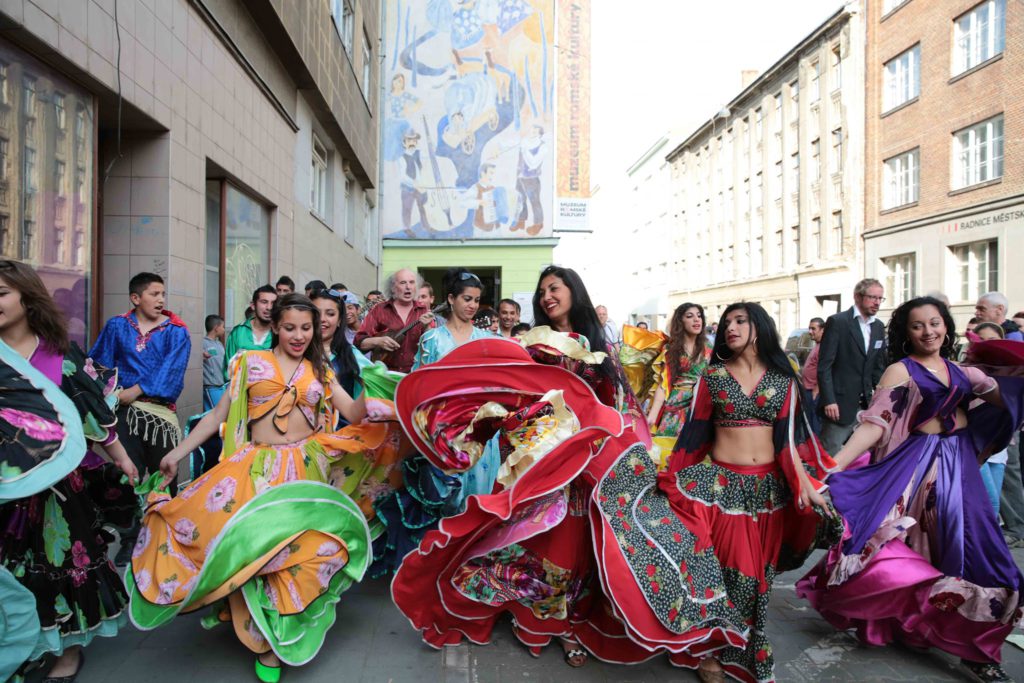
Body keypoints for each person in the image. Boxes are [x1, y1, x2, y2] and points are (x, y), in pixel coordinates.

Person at [392, 265, 650, 668]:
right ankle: (546, 621)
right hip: (539, 458)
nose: (547, 296)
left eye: (555, 288)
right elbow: (512, 392)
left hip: (588, 460)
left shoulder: (600, 345)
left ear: (574, 291)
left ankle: (569, 617)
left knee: (580, 544)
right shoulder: (529, 343)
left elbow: (618, 404)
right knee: (545, 541)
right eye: (542, 291)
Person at [128, 294, 376, 683]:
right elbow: (217, 416)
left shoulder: (320, 369)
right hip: (257, 472)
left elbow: (354, 413)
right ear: (275, 326)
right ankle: (262, 638)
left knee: (297, 554)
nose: (299, 336)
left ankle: (277, 636)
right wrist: (177, 453)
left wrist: (377, 385)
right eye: (290, 327)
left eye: (306, 328)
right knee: (254, 552)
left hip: (306, 472)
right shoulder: (249, 363)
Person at [797, 296, 1024, 683]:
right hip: (917, 468)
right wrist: (831, 467)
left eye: (934, 323)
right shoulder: (899, 371)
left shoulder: (962, 372)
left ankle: (978, 647)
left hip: (959, 466)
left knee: (975, 548)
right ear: (906, 332)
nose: (928, 331)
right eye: (918, 325)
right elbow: (875, 425)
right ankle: (920, 624)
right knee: (915, 546)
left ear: (946, 327)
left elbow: (1007, 398)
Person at [0, 260, 139, 681]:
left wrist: (122, 458)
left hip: (58, 488)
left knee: (62, 567)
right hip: (6, 487)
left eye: (1, 294)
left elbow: (90, 413)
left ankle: (67, 650)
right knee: (12, 574)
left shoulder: (59, 353)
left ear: (27, 298)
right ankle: (23, 642)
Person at [371, 269, 495, 576]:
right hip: (442, 432)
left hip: (479, 432)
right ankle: (441, 569)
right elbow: (418, 386)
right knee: (445, 499)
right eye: (466, 299)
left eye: (476, 300)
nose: (472, 306)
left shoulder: (489, 341)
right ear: (451, 299)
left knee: (478, 500)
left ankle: (470, 571)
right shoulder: (432, 339)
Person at [90, 271, 189, 565]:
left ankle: (165, 537)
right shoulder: (117, 326)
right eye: (154, 294)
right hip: (123, 413)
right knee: (127, 475)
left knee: (165, 473)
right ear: (136, 298)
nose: (161, 300)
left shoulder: (176, 331)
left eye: (163, 294)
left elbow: (172, 370)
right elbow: (98, 363)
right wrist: (110, 391)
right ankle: (130, 537)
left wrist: (137, 389)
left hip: (159, 415)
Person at [817, 278, 887, 455]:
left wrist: (882, 398)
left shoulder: (878, 327)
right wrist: (829, 400)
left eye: (880, 298)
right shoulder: (838, 322)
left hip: (868, 405)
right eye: (873, 297)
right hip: (839, 404)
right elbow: (824, 366)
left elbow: (878, 367)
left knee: (863, 455)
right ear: (857, 297)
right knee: (830, 455)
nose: (877, 302)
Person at [646, 303, 711, 439]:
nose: (696, 319)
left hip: (700, 405)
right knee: (669, 447)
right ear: (680, 321)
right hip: (676, 406)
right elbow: (663, 384)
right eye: (690, 316)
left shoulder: (709, 348)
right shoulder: (671, 349)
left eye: (699, 316)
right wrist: (652, 415)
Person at [355, 269, 433, 373]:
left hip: (414, 375)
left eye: (411, 282)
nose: (408, 287)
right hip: (384, 375)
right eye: (403, 282)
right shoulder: (379, 310)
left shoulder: (423, 311)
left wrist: (427, 327)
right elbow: (358, 342)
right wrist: (378, 341)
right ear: (393, 288)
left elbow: (432, 347)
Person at [973, 322, 1009, 517]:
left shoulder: (1011, 373)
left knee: (992, 508)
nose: (988, 345)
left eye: (993, 340)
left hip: (999, 450)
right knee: (991, 504)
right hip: (975, 448)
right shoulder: (968, 372)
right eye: (982, 340)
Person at [225, 285, 277, 370]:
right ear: (253, 305)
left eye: (273, 303)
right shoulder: (238, 332)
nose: (269, 307)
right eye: (264, 302)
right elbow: (228, 368)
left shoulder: (279, 333)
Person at [202, 314, 227, 411]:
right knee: (217, 414)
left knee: (216, 414)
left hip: (221, 386)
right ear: (216, 328)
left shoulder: (219, 344)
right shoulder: (203, 343)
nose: (224, 330)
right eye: (223, 327)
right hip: (211, 387)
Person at [802, 317, 826, 399]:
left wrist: (817, 388)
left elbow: (825, 370)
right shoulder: (817, 345)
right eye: (809, 329)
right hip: (808, 390)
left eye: (813, 329)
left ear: (822, 330)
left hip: (814, 392)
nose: (810, 332)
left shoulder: (824, 347)